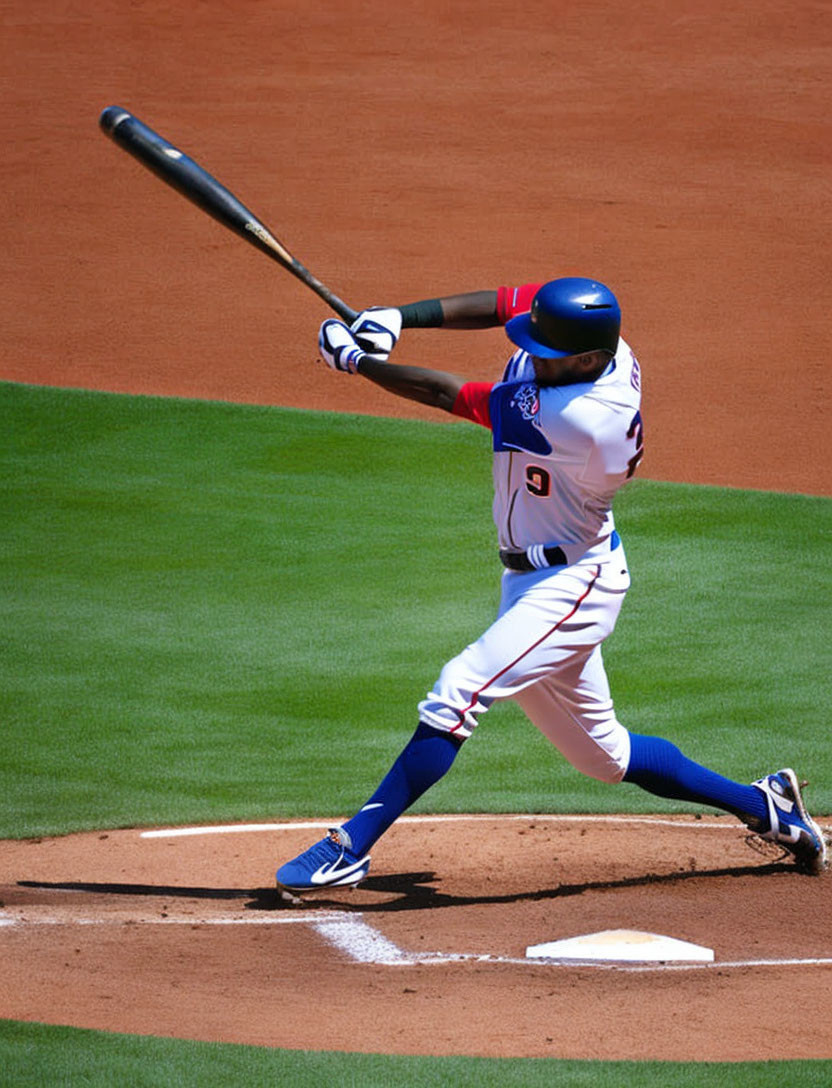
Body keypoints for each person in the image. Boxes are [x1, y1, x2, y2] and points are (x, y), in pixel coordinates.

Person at [275, 277, 827, 893]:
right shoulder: (592, 343)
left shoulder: (583, 419)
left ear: (588, 360)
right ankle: (767, 805)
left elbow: (447, 392)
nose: (532, 351)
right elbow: (507, 301)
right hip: (530, 579)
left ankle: (350, 845)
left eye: (545, 348)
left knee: (458, 690)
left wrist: (359, 362)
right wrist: (398, 315)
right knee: (606, 758)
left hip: (575, 583)